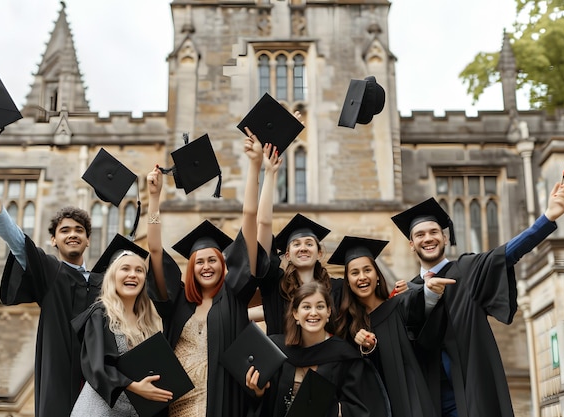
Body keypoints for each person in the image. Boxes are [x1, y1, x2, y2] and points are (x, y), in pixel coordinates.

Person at [390, 182, 564, 417]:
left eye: (434, 232)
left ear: (445, 238)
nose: (428, 238)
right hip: (429, 399)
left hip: (471, 391)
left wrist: (547, 218)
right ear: (412, 245)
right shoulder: (407, 292)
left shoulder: (467, 269)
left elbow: (508, 253)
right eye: (420, 235)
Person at [145, 128, 268, 417]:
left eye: (213, 260)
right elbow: (155, 252)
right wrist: (154, 198)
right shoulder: (177, 304)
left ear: (223, 265)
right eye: (199, 262)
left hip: (222, 405)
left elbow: (249, 219)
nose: (206, 266)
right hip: (178, 407)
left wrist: (254, 167)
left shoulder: (235, 297)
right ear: (191, 268)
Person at [0, 174, 103, 417]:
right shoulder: (51, 272)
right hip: (60, 377)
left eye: (79, 230)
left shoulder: (104, 283)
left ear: (88, 240)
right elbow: (19, 243)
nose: (72, 234)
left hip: (98, 381)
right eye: (64, 231)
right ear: (54, 240)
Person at [330, 236, 453, 417]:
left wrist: (431, 294)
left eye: (367, 270)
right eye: (354, 273)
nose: (362, 277)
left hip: (411, 401)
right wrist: (365, 348)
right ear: (347, 281)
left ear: (377, 276)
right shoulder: (347, 326)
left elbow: (424, 325)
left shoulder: (400, 305)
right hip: (373, 407)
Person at [245, 281, 392, 417]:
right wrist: (258, 392)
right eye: (306, 307)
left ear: (328, 312)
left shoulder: (343, 356)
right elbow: (266, 405)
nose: (313, 313)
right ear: (296, 313)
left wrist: (334, 410)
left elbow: (362, 407)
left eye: (320, 306)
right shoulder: (277, 350)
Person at [70, 249, 168, 416]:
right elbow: (95, 366)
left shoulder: (148, 324)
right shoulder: (100, 314)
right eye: (125, 269)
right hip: (99, 411)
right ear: (112, 276)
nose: (133, 275)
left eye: (139, 270)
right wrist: (134, 386)